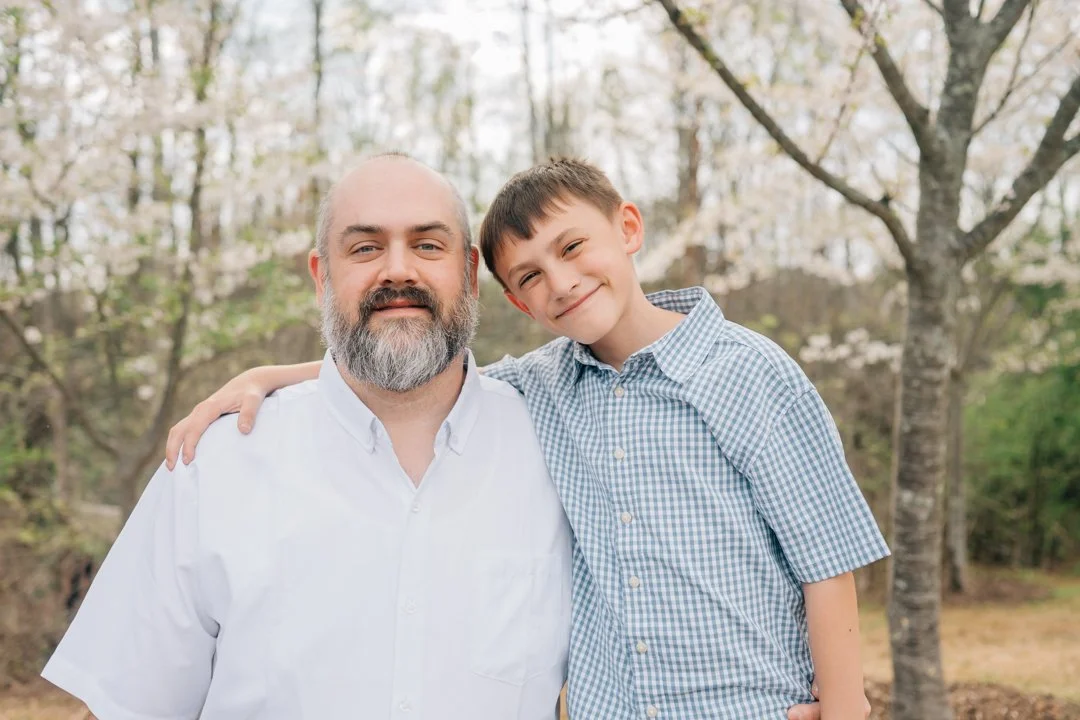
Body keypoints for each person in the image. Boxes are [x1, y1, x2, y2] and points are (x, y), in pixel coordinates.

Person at [165, 158, 887, 719]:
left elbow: (828, 560)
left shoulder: (748, 372)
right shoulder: (539, 388)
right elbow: (416, 369)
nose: (563, 282)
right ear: (513, 300)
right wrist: (274, 374)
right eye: (531, 276)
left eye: (574, 247)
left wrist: (846, 707)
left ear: (628, 228)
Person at [41, 154, 574, 720]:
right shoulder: (214, 465)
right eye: (365, 247)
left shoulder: (560, 449)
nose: (398, 271)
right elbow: (126, 706)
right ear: (322, 276)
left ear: (469, 273)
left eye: (427, 245)